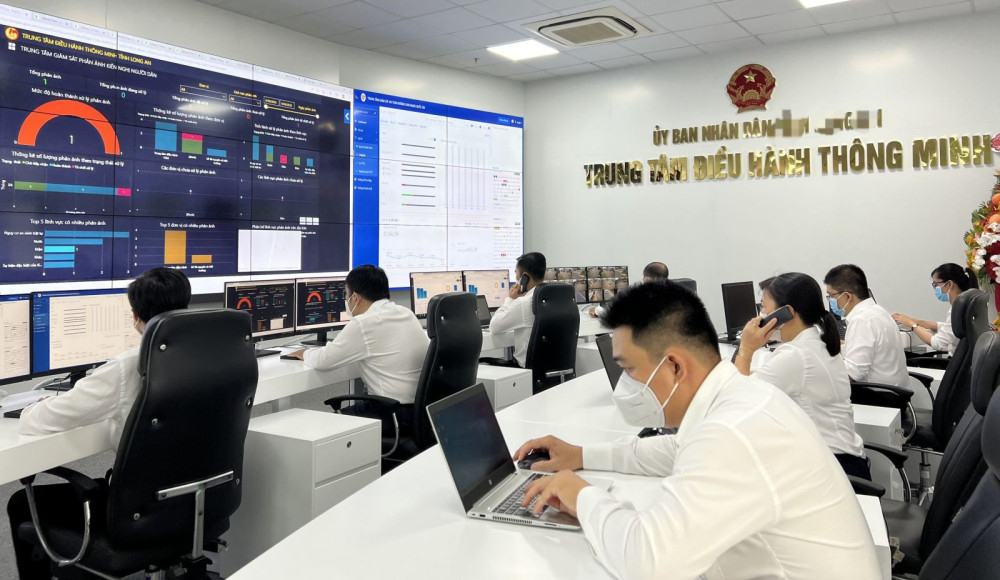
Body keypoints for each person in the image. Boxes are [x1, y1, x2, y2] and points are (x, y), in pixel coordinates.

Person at [512, 281, 880, 579]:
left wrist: (582, 496)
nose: (625, 384)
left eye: (629, 369)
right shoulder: (741, 397)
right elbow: (676, 450)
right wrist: (582, 455)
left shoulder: (733, 430)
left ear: (674, 366)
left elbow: (649, 563)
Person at [10, 267, 192, 579]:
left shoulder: (127, 366)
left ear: (135, 315)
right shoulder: (209, 355)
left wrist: (33, 407)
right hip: (197, 500)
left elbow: (38, 421)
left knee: (22, 503)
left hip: (139, 512)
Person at [735, 273, 870, 480]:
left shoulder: (795, 356)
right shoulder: (815, 340)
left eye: (763, 306)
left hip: (834, 469)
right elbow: (761, 379)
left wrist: (746, 348)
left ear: (786, 313)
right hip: (842, 460)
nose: (761, 314)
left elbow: (738, 395)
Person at [286, 264, 428, 406]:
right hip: (420, 406)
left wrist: (305, 353)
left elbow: (323, 361)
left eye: (346, 294)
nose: (346, 299)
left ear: (356, 297)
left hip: (391, 410)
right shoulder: (405, 312)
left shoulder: (363, 323)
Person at [824, 264, 909, 387]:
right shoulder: (878, 311)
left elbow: (853, 373)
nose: (830, 300)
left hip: (877, 393)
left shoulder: (861, 320)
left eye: (832, 296)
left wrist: (823, 362)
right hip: (896, 390)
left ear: (847, 296)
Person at [892, 263, 978, 356]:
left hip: (954, 361)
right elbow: (950, 328)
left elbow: (937, 343)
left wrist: (912, 325)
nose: (936, 288)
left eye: (936, 284)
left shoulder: (957, 309)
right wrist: (914, 321)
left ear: (949, 284)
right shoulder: (967, 304)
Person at [488, 252, 546, 367]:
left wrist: (510, 299)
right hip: (554, 370)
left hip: (527, 371)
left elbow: (494, 327)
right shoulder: (558, 299)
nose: (516, 279)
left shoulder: (524, 303)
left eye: (516, 274)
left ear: (524, 277)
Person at [588, 261, 669, 318]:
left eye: (644, 277)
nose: (643, 279)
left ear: (647, 278)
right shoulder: (672, 297)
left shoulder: (642, 297)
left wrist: (596, 310)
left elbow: (617, 314)